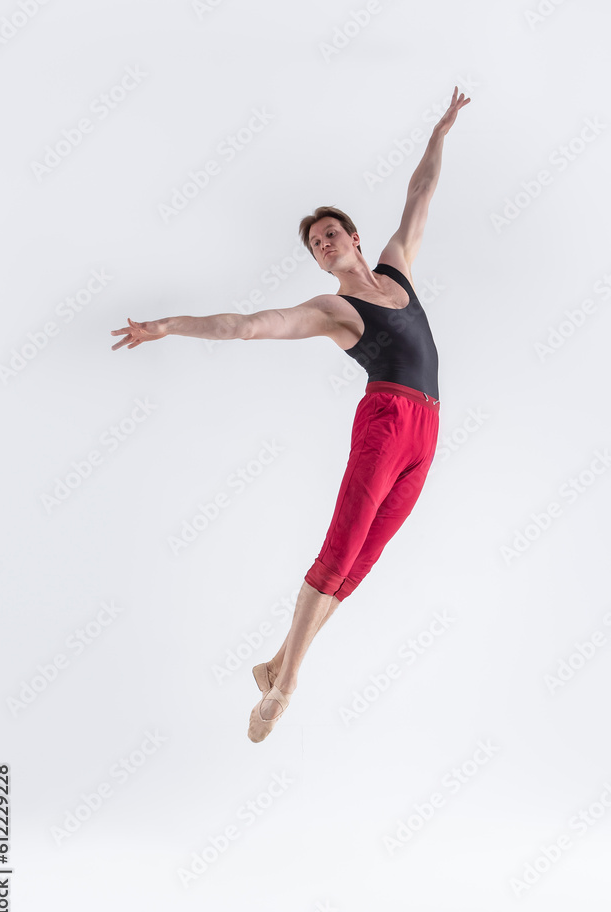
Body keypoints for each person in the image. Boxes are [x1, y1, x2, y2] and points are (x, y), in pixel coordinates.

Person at [111, 86, 471, 742]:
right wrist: (168, 325)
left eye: (330, 233)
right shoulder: (333, 311)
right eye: (314, 244)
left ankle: (276, 661)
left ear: (354, 238)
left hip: (429, 429)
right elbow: (248, 326)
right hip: (387, 419)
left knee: (365, 559)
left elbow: (419, 194)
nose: (323, 244)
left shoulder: (398, 268)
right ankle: (286, 683)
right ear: (316, 259)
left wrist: (440, 131)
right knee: (341, 548)